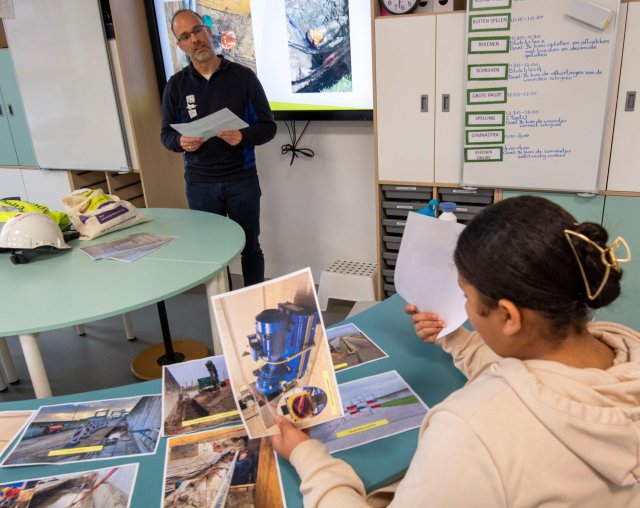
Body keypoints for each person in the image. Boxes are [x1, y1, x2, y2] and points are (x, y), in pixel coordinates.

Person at [271, 195, 640, 507]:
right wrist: (455, 337)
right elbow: (534, 376)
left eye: (466, 297)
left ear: (509, 316)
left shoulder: (469, 430)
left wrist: (309, 458)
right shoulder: (621, 349)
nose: (463, 310)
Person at [161, 9, 277, 286]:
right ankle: (222, 308)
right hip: (200, 185)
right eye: (186, 36)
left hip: (242, 181)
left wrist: (243, 137)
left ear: (208, 31)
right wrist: (180, 142)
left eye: (198, 30)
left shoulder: (243, 77)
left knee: (251, 248)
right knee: (212, 254)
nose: (195, 40)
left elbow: (268, 127)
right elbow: (166, 135)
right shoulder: (176, 86)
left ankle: (253, 308)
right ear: (180, 45)